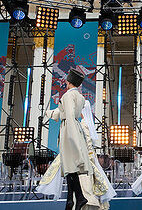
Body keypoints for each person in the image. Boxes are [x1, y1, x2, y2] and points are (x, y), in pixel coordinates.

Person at [37, 100, 116, 210]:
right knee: (84, 185)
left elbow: (85, 143)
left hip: (83, 160)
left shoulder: (83, 124)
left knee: (84, 186)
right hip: (86, 158)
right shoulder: (87, 123)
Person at [42, 68, 91, 210]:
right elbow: (63, 112)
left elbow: (68, 115)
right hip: (74, 128)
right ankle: (70, 199)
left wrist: (72, 139)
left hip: (69, 131)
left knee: (70, 167)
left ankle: (79, 197)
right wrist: (49, 113)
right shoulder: (79, 97)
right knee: (70, 168)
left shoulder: (68, 96)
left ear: (68, 82)